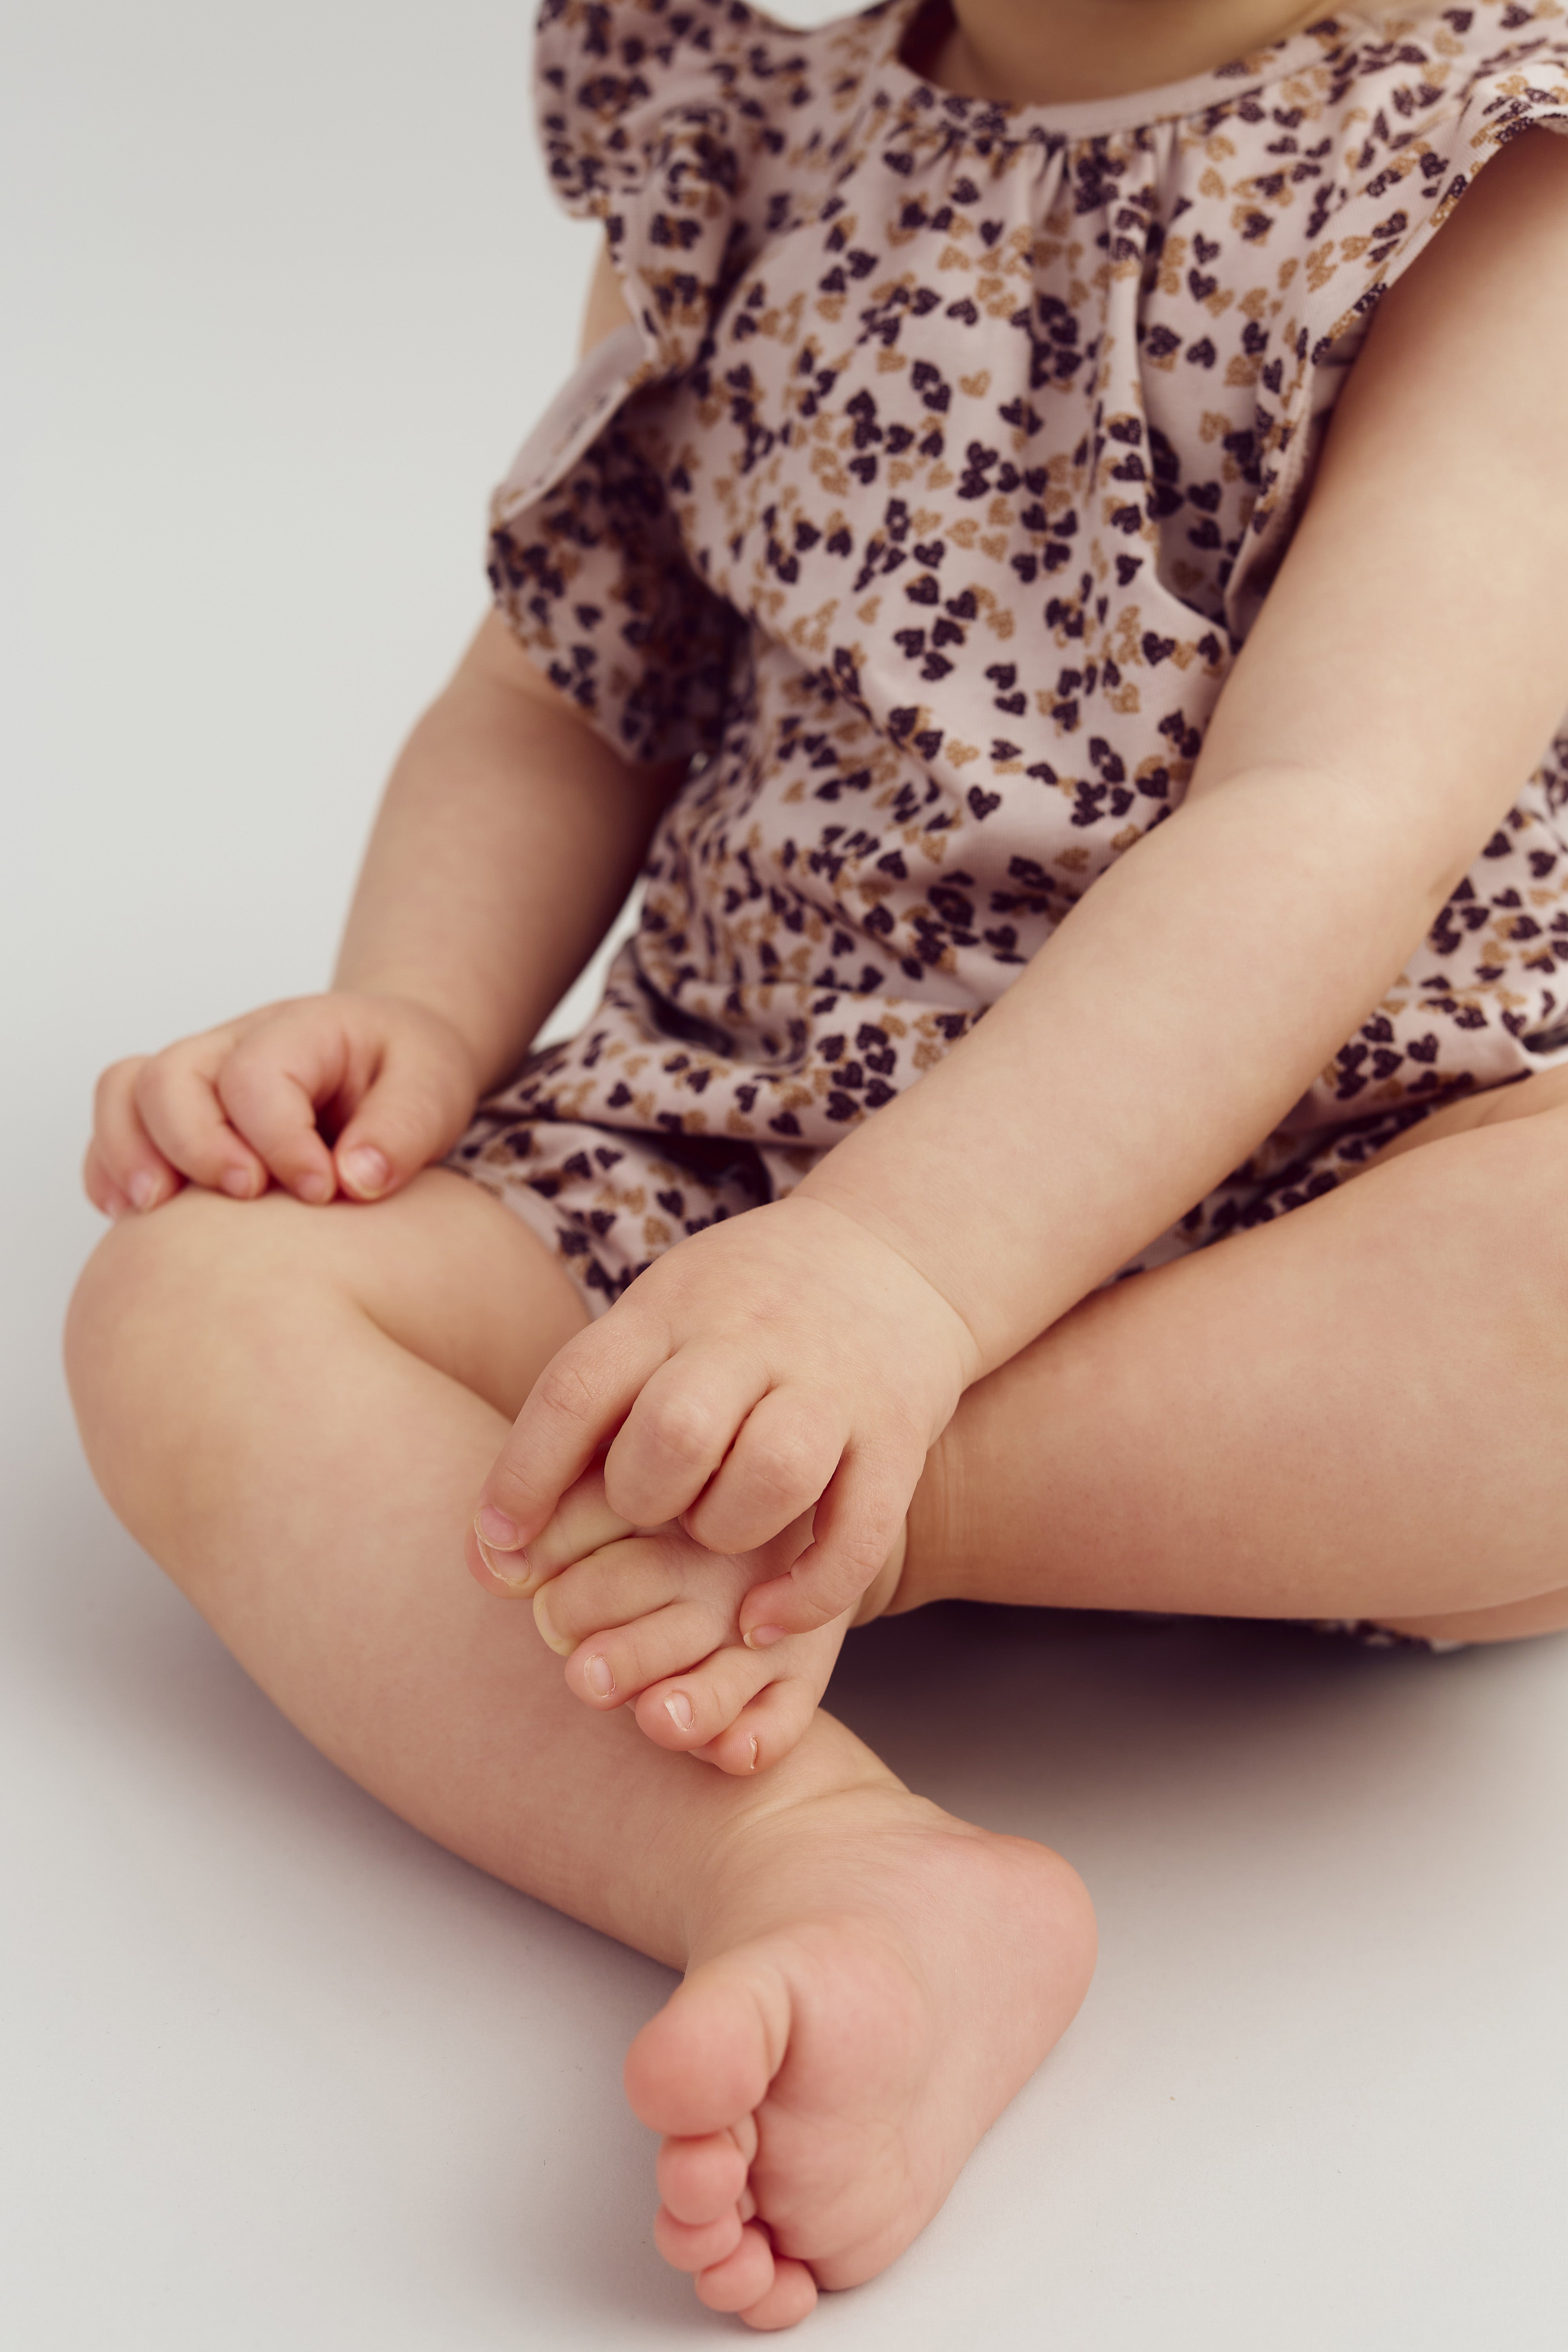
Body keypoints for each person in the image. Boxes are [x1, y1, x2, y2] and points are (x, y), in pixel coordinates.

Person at [66, 0, 1568, 2329]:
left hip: (1335, 1186)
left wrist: (900, 1292)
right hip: (756, 1167)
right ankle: (821, 1859)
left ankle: (878, 1507)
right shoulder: (744, 130)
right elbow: (563, 689)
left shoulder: (1491, 177)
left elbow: (1326, 815)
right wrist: (413, 1023)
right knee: (195, 1301)